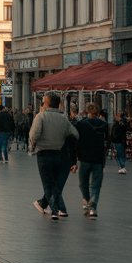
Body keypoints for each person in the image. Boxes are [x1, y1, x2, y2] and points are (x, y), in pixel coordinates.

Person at [29, 93, 79, 222]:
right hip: (58, 153)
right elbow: (75, 134)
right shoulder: (64, 119)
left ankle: (55, 210)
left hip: (43, 153)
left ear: (46, 103)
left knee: (47, 183)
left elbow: (34, 134)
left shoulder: (40, 117)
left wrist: (33, 145)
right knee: (55, 183)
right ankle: (53, 207)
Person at [76, 102, 109, 220]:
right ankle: (93, 207)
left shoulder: (80, 124)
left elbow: (76, 141)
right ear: (98, 112)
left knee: (83, 183)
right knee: (96, 185)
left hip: (84, 158)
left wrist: (75, 157)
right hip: (98, 159)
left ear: (86, 111)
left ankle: (86, 200)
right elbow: (107, 142)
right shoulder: (104, 125)